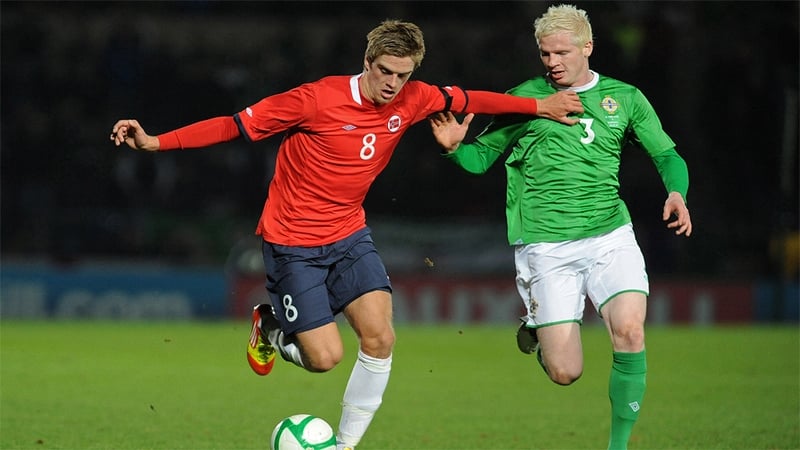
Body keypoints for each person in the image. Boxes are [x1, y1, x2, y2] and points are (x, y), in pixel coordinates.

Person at [110, 19, 583, 450]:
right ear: (366, 62)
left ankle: (344, 447)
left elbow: (471, 99)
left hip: (350, 235)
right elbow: (235, 126)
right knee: (323, 359)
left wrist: (539, 105)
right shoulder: (314, 99)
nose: (392, 84)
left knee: (380, 338)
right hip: (292, 243)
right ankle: (271, 327)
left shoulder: (414, 97)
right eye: (384, 72)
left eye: (402, 75)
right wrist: (156, 141)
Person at [429, 5, 692, 450]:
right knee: (565, 372)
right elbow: (479, 160)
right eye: (545, 53)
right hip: (545, 247)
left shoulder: (624, 98)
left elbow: (666, 155)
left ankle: (618, 445)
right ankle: (537, 322)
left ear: (587, 47)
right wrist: (455, 149)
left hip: (610, 235)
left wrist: (676, 192)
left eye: (562, 52)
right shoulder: (526, 99)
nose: (552, 62)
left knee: (630, 330)